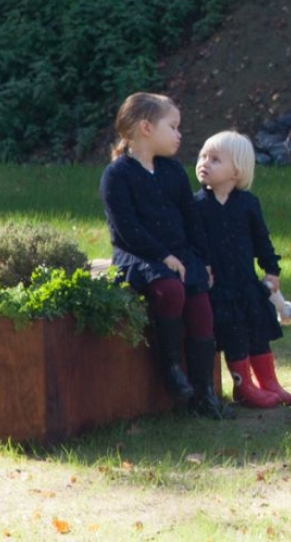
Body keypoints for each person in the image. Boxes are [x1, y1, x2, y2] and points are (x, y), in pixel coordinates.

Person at [99, 92, 232, 420]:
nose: (179, 134)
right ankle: (171, 370)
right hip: (139, 256)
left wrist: (203, 259)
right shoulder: (117, 176)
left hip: (180, 254)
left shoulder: (172, 171)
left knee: (200, 301)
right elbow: (127, 230)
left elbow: (191, 219)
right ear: (146, 127)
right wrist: (162, 255)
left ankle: (205, 393)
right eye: (172, 126)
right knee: (170, 290)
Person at [195, 130, 291, 408]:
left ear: (236, 171)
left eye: (215, 159)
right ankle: (244, 386)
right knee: (234, 334)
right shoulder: (197, 206)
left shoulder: (248, 205)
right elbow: (193, 242)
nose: (204, 163)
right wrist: (200, 266)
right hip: (220, 288)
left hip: (246, 284)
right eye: (203, 156)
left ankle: (270, 382)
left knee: (258, 333)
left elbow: (261, 240)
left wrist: (271, 271)